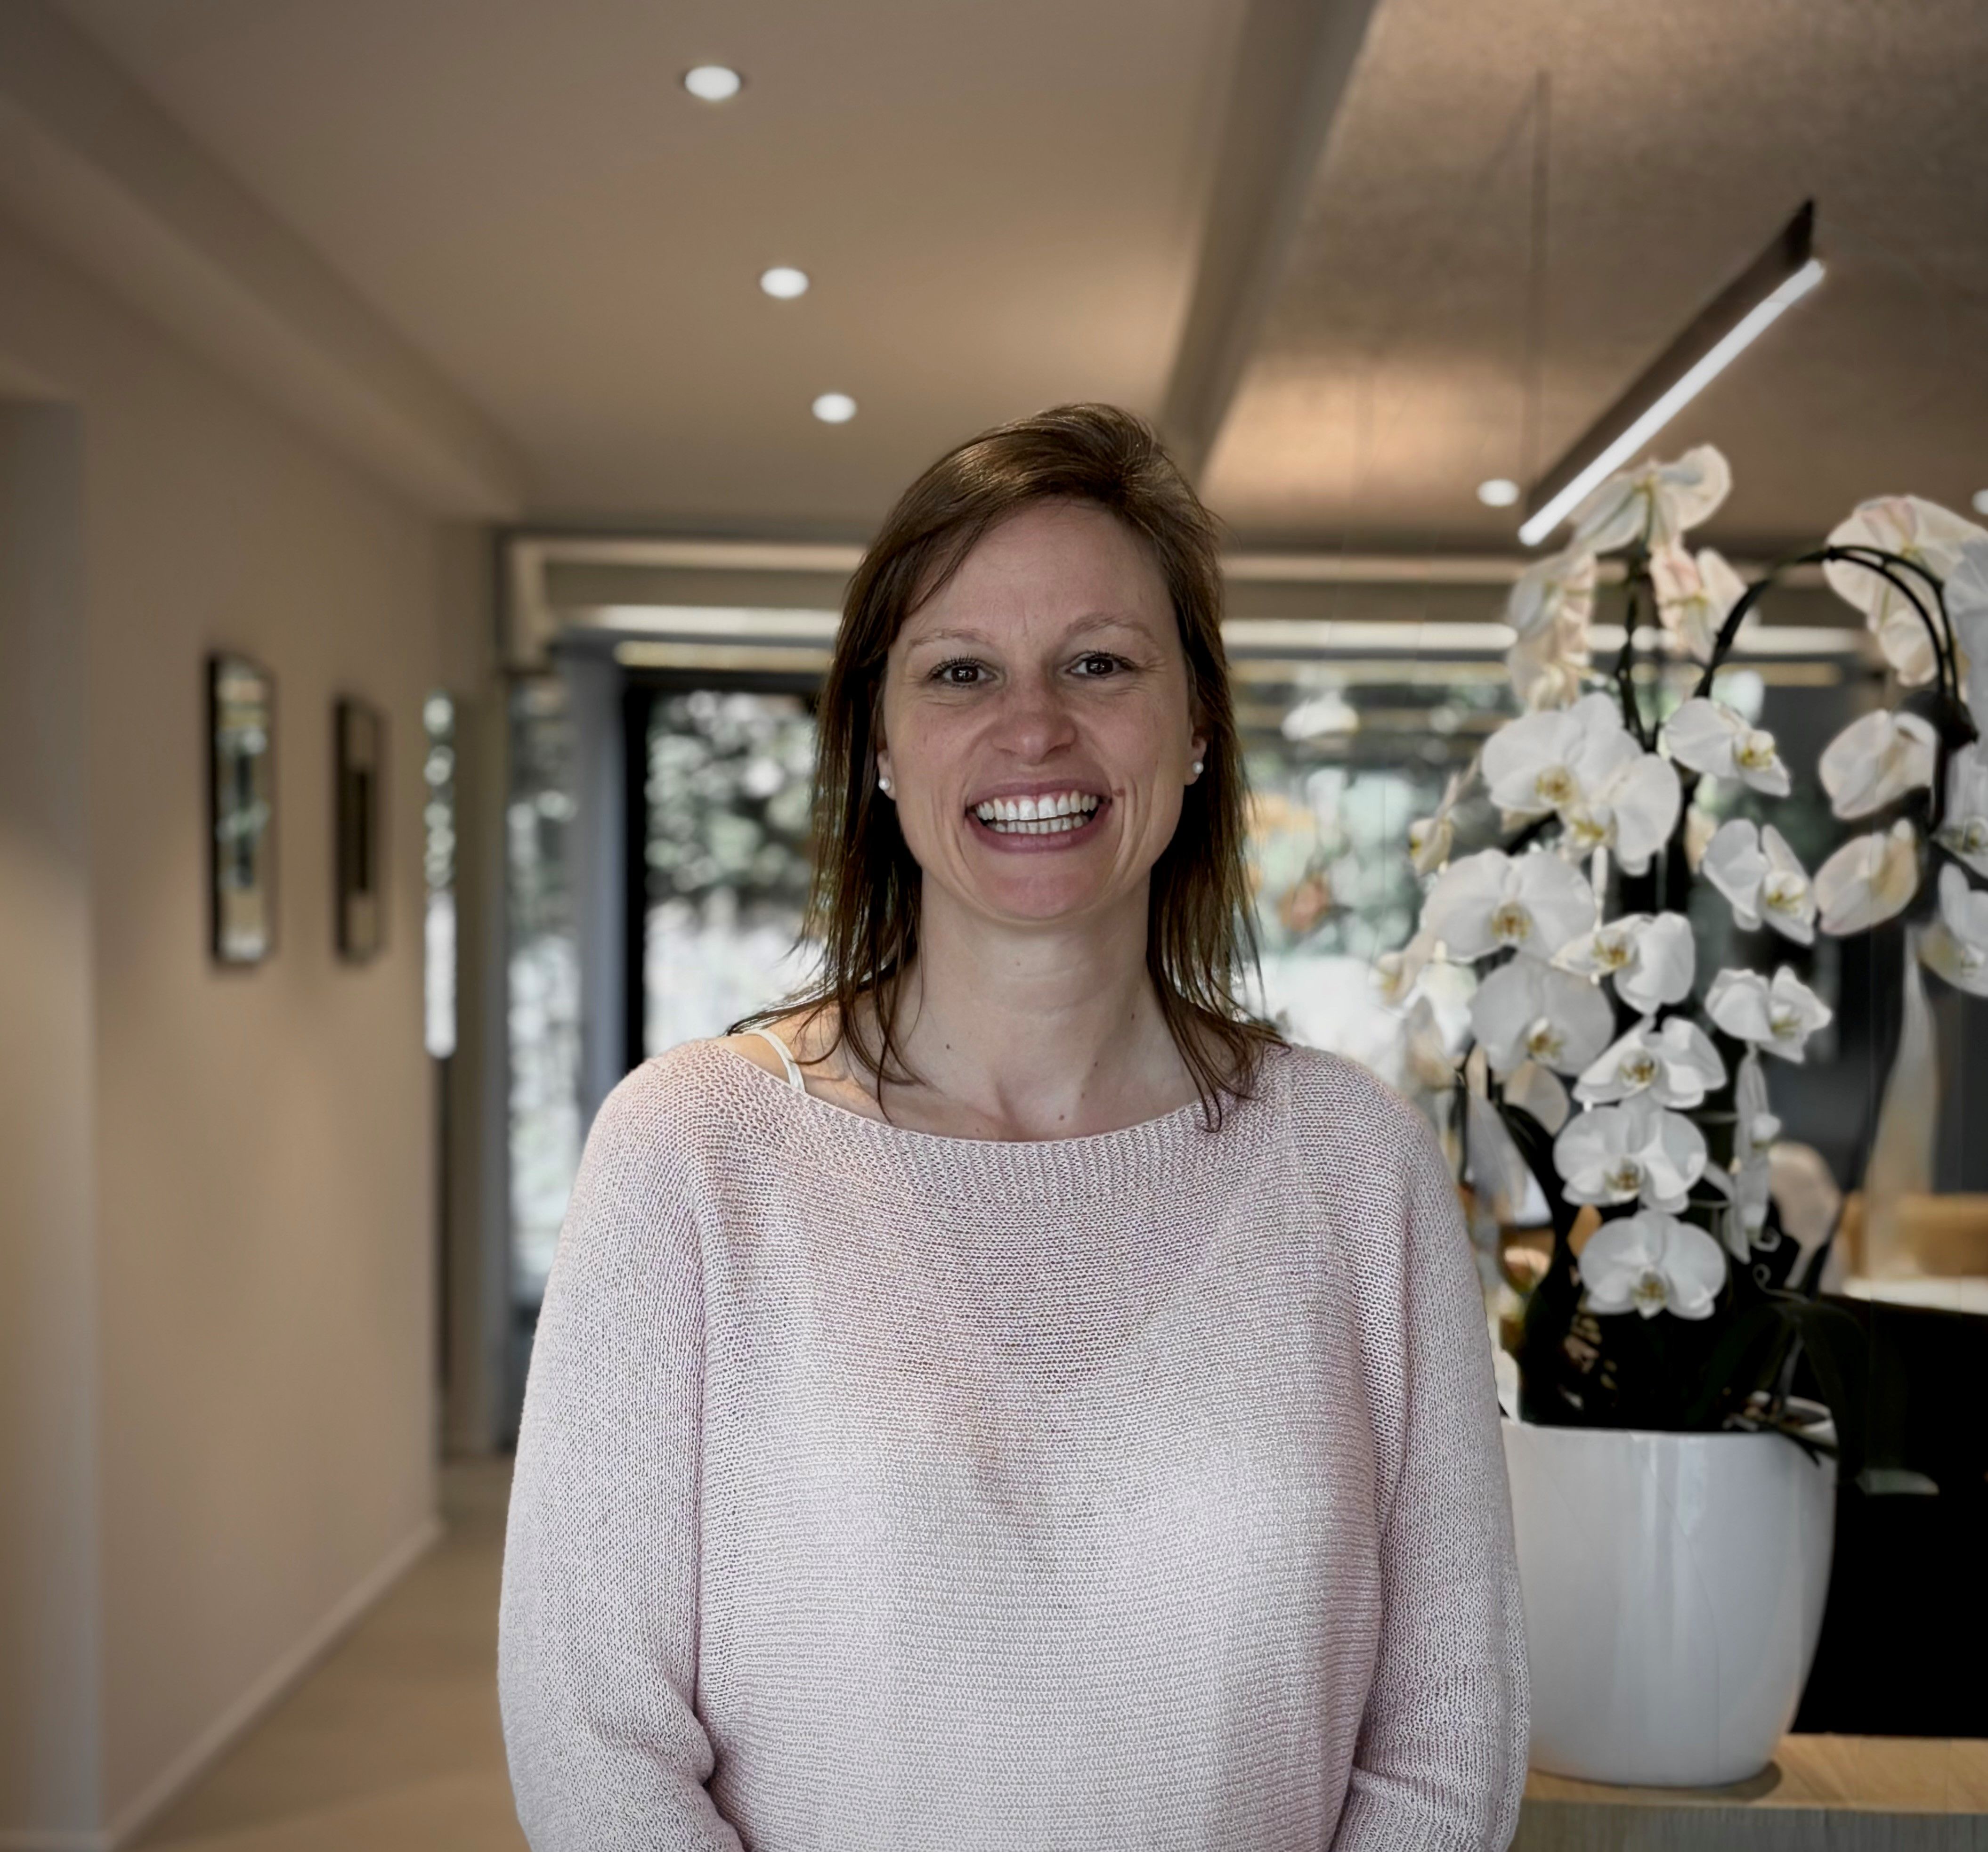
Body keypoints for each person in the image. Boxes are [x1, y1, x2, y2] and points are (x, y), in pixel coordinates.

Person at [498, 403, 1528, 1850]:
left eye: (1100, 662)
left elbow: (1447, 1736)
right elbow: (590, 1730)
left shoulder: (1362, 1168)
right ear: (876, 742)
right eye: (960, 670)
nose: (1032, 725)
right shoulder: (690, 1152)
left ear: (1197, 725)